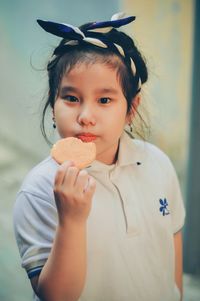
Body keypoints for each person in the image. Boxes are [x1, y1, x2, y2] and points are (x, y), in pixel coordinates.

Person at [13, 12, 186, 301]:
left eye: (104, 100)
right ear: (53, 105)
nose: (85, 117)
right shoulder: (40, 189)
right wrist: (72, 220)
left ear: (131, 109)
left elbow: (172, 243)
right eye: (71, 98)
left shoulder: (158, 164)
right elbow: (56, 297)